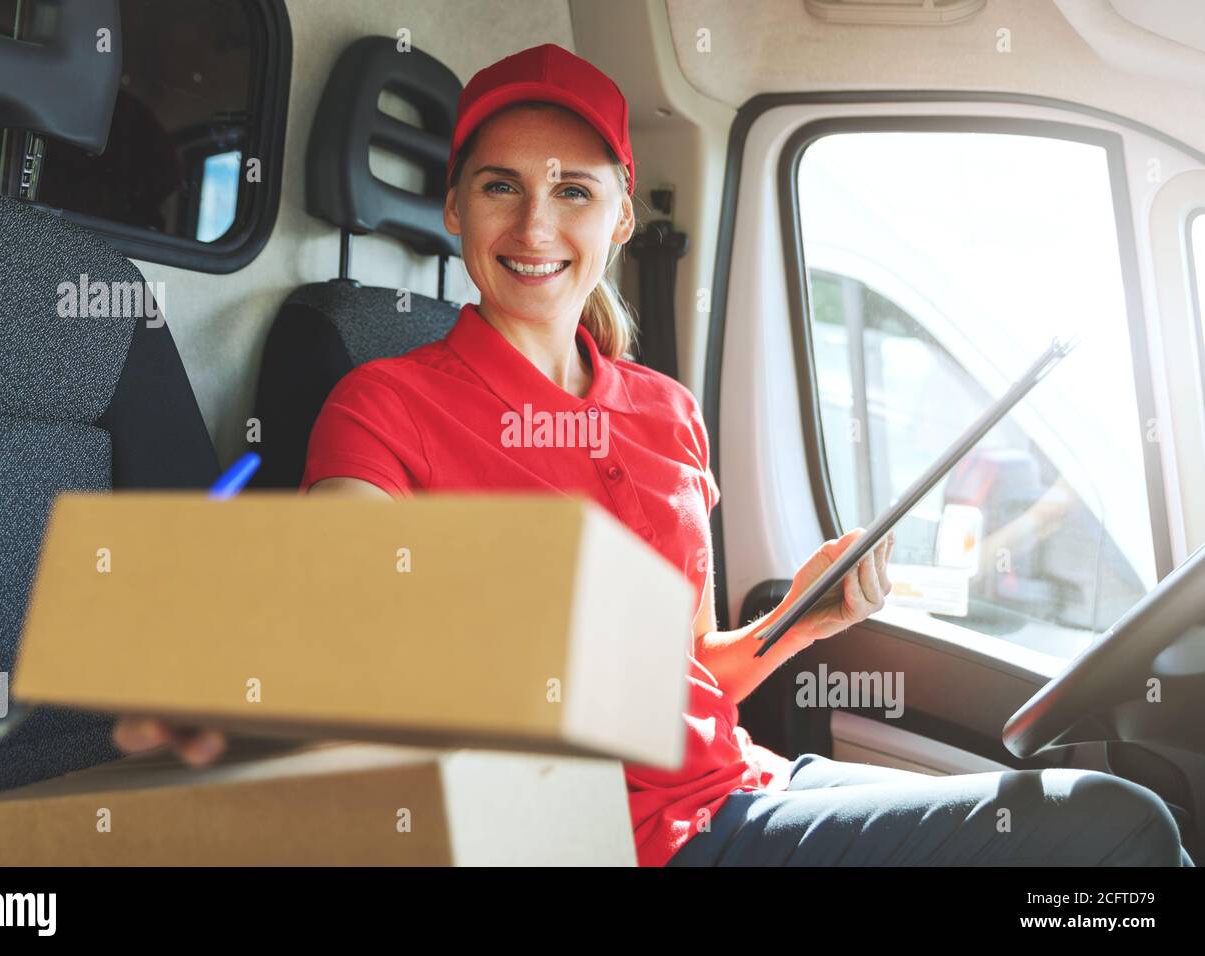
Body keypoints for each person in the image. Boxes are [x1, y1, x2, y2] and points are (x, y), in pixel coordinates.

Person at [115, 44, 1192, 867]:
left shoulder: (667, 411)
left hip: (745, 784)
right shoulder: (382, 399)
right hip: (618, 837)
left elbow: (681, 673)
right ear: (453, 210)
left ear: (622, 216)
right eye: (499, 186)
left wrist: (797, 624)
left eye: (573, 190)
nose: (535, 224)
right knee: (1105, 824)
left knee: (1089, 820)